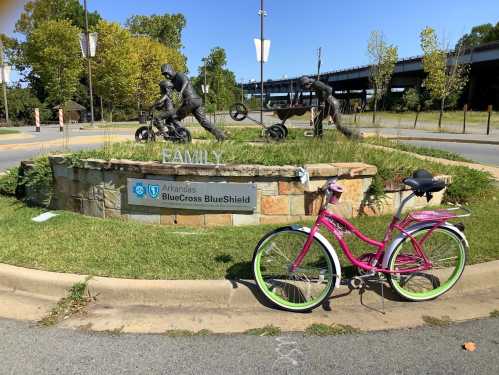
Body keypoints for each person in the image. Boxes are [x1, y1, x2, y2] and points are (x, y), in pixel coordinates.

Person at [161, 64, 226, 141]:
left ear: (170, 70)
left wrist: (181, 92)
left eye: (167, 73)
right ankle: (220, 135)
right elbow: (169, 91)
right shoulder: (172, 81)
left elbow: (186, 81)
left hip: (190, 101)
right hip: (196, 101)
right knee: (203, 121)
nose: (167, 76)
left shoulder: (179, 75)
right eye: (165, 75)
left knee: (174, 117)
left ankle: (181, 137)